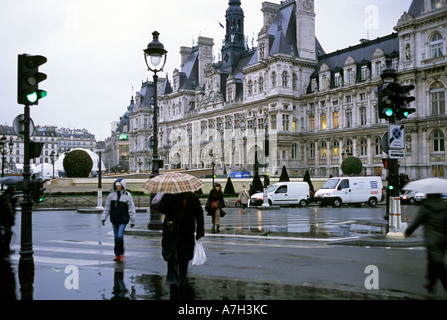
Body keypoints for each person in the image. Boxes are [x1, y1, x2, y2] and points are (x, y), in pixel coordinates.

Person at [158, 192, 204, 299]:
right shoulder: (169, 195)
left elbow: (198, 213)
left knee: (183, 258)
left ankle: (180, 281)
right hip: (173, 232)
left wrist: (200, 231)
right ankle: (175, 282)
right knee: (172, 257)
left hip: (184, 232)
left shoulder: (191, 197)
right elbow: (162, 208)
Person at [405, 193, 447, 294]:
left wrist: (408, 231)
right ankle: (431, 284)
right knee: (434, 259)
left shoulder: (426, 206)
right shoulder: (445, 205)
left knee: (437, 263)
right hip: (444, 238)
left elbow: (417, 221)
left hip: (432, 239)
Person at [102, 179, 136, 262]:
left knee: (120, 236)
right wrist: (104, 217)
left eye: (119, 186)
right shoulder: (111, 195)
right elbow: (107, 207)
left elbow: (131, 208)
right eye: (116, 186)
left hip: (123, 219)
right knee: (116, 238)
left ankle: (121, 254)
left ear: (122, 186)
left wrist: (133, 220)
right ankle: (117, 254)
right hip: (114, 219)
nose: (117, 187)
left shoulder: (127, 195)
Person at [0, 187, 17, 257]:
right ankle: (6, 249)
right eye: (13, 189)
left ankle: (6, 249)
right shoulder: (6, 197)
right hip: (5, 220)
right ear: (10, 190)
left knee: (7, 234)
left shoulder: (7, 196)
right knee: (7, 234)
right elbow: (8, 208)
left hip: (5, 220)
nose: (14, 190)